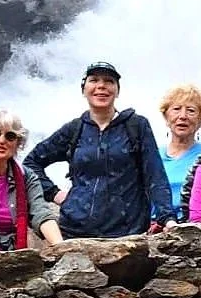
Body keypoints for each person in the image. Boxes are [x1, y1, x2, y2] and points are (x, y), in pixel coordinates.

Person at [23, 61, 177, 238]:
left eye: (109, 81)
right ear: (84, 90)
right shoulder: (75, 129)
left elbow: (155, 175)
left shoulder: (136, 126)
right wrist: (55, 194)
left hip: (127, 232)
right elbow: (30, 163)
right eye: (94, 80)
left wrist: (167, 219)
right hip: (74, 230)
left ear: (117, 91)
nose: (101, 86)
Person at [0, 109, 63, 252]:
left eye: (10, 136)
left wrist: (61, 247)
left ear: (18, 144)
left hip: (15, 253)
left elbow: (41, 213)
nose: (1, 140)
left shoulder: (27, 176)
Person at [158, 83, 201, 209]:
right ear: (166, 117)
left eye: (191, 110)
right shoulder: (152, 156)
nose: (183, 116)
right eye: (176, 109)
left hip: (193, 219)